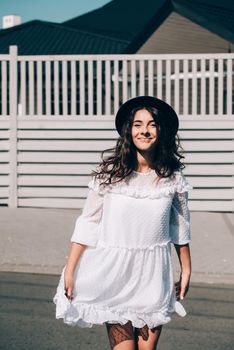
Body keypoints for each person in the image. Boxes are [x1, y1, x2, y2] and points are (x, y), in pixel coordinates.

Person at [53, 96, 192, 350]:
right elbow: (88, 222)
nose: (145, 130)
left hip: (153, 276)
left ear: (161, 131)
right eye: (137, 124)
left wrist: (186, 269)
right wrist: (70, 271)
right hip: (113, 275)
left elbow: (180, 225)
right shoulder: (109, 175)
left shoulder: (173, 177)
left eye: (151, 124)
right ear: (129, 130)